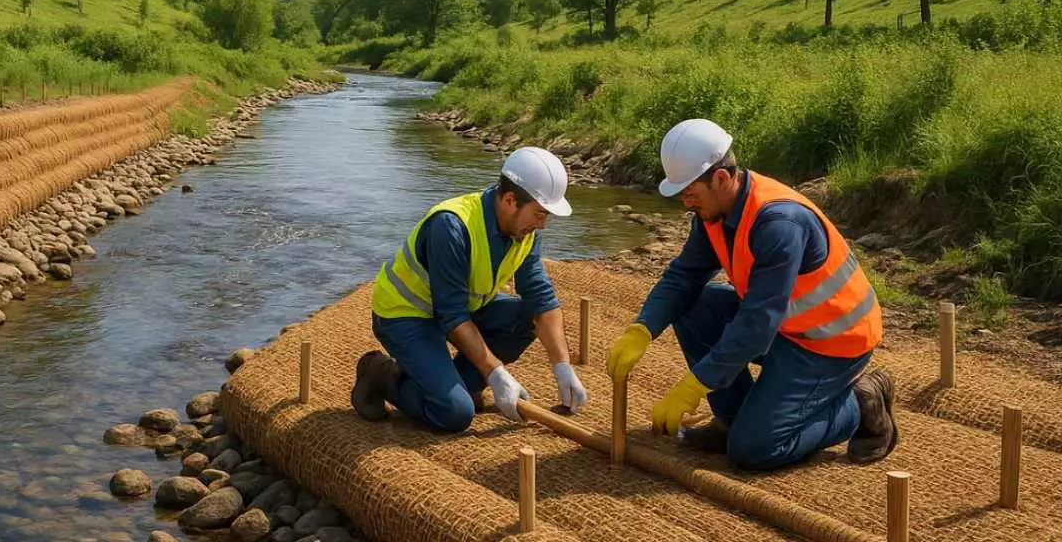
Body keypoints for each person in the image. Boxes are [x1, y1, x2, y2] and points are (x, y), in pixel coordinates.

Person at [606, 118, 897, 471]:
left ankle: (859, 403)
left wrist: (697, 384)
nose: (686, 204)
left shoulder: (779, 223)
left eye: (690, 194)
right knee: (694, 306)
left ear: (721, 178)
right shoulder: (714, 211)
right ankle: (734, 418)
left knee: (755, 449)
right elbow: (684, 277)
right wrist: (643, 328)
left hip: (831, 343)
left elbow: (757, 325)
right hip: (787, 329)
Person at [351, 147, 587, 432]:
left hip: (459, 310)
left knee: (528, 316)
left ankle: (459, 384)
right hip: (405, 316)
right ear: (510, 200)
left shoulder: (525, 231)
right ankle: (381, 375)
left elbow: (540, 297)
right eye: (539, 213)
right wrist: (496, 373)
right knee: (455, 413)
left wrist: (562, 366)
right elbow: (451, 316)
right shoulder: (451, 226)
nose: (543, 224)